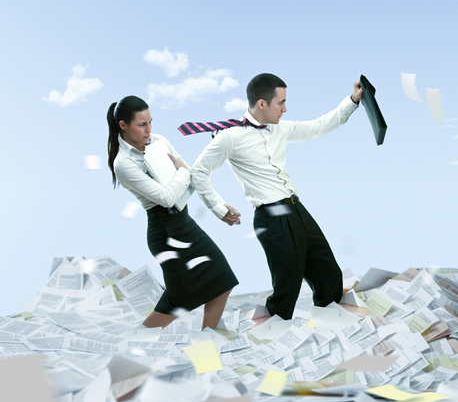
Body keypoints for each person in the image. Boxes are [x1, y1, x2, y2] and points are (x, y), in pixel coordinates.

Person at [189, 74, 363, 320]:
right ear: (262, 103)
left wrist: (353, 100)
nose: (285, 108)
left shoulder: (279, 128)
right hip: (272, 217)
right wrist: (219, 208)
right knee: (287, 289)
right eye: (280, 102)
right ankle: (266, 339)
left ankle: (331, 329)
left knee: (329, 276)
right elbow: (198, 171)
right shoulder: (229, 136)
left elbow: (319, 126)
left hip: (297, 209)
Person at [107, 95, 239, 329]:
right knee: (179, 300)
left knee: (223, 279)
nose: (148, 130)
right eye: (141, 125)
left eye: (150, 122)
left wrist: (219, 208)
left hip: (185, 223)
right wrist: (181, 171)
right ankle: (133, 346)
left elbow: (192, 177)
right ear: (123, 126)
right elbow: (166, 198)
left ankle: (207, 339)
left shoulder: (159, 141)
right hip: (165, 232)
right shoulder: (123, 163)